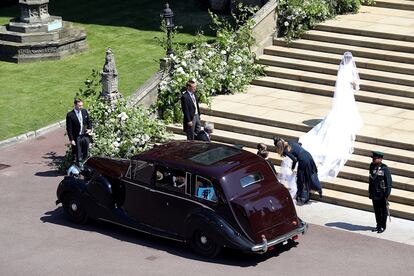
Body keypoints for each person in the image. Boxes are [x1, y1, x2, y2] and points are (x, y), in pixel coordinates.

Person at [299, 51, 363, 181]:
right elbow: (352, 84)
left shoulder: (342, 69)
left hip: (345, 95)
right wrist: (354, 83)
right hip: (345, 95)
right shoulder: (346, 70)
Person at [274, 137, 322, 204]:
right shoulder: (290, 141)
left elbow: (294, 160)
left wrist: (293, 167)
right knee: (311, 173)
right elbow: (299, 145)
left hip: (303, 160)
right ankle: (317, 187)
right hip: (308, 155)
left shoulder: (286, 151)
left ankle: (303, 196)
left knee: (301, 179)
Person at [369, 151, 392, 233]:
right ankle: (378, 225)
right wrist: (370, 192)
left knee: (383, 211)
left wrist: (387, 194)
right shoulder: (372, 166)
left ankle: (383, 226)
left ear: (380, 159)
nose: (373, 160)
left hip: (382, 194)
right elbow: (371, 180)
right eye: (373, 158)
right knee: (377, 210)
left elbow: (389, 182)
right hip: (374, 193)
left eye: (375, 158)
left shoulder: (385, 168)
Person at [66, 98, 92, 165]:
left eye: (82, 105)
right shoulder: (70, 115)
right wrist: (71, 139)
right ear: (75, 105)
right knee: (78, 153)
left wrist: (89, 129)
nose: (81, 107)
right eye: (79, 106)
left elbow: (89, 121)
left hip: (85, 136)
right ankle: (78, 166)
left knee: (86, 151)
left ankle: (85, 164)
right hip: (77, 137)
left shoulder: (84, 111)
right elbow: (69, 129)